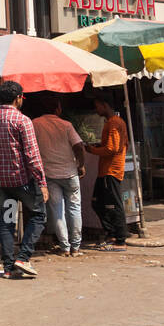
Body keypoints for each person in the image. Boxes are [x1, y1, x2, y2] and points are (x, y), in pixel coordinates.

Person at [0, 81, 48, 279]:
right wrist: (42, 182)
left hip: (3, 182)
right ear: (18, 98)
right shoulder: (22, 120)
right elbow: (32, 154)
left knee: (7, 222)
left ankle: (8, 267)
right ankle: (23, 257)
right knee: (38, 215)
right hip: (22, 181)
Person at [32, 98, 87, 257]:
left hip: (49, 175)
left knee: (57, 211)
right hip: (70, 173)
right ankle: (76, 247)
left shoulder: (35, 124)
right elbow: (79, 147)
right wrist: (81, 164)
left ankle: (65, 247)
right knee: (74, 208)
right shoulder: (66, 125)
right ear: (58, 109)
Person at [86, 95, 129, 250]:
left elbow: (112, 148)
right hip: (106, 170)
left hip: (111, 170)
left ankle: (120, 240)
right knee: (98, 203)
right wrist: (99, 146)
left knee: (113, 205)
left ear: (105, 105)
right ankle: (111, 233)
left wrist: (92, 150)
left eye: (97, 105)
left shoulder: (114, 123)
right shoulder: (114, 123)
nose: (96, 109)